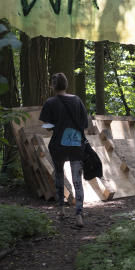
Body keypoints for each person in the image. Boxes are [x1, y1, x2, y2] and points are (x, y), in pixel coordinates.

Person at [39, 72, 90, 227]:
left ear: (53, 86)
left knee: (59, 176)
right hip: (76, 146)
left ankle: (61, 209)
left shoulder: (50, 103)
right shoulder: (77, 101)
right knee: (77, 180)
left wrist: (57, 126)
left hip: (58, 146)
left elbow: (47, 126)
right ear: (66, 84)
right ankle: (79, 215)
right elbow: (85, 124)